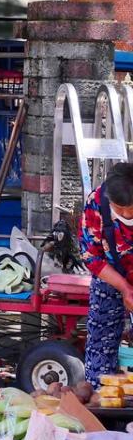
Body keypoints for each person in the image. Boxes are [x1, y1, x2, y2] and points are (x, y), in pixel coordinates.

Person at [78, 163, 133, 386]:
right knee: (101, 343)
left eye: (131, 208)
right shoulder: (96, 203)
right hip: (109, 276)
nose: (127, 214)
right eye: (120, 209)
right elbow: (91, 256)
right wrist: (125, 288)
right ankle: (100, 409)